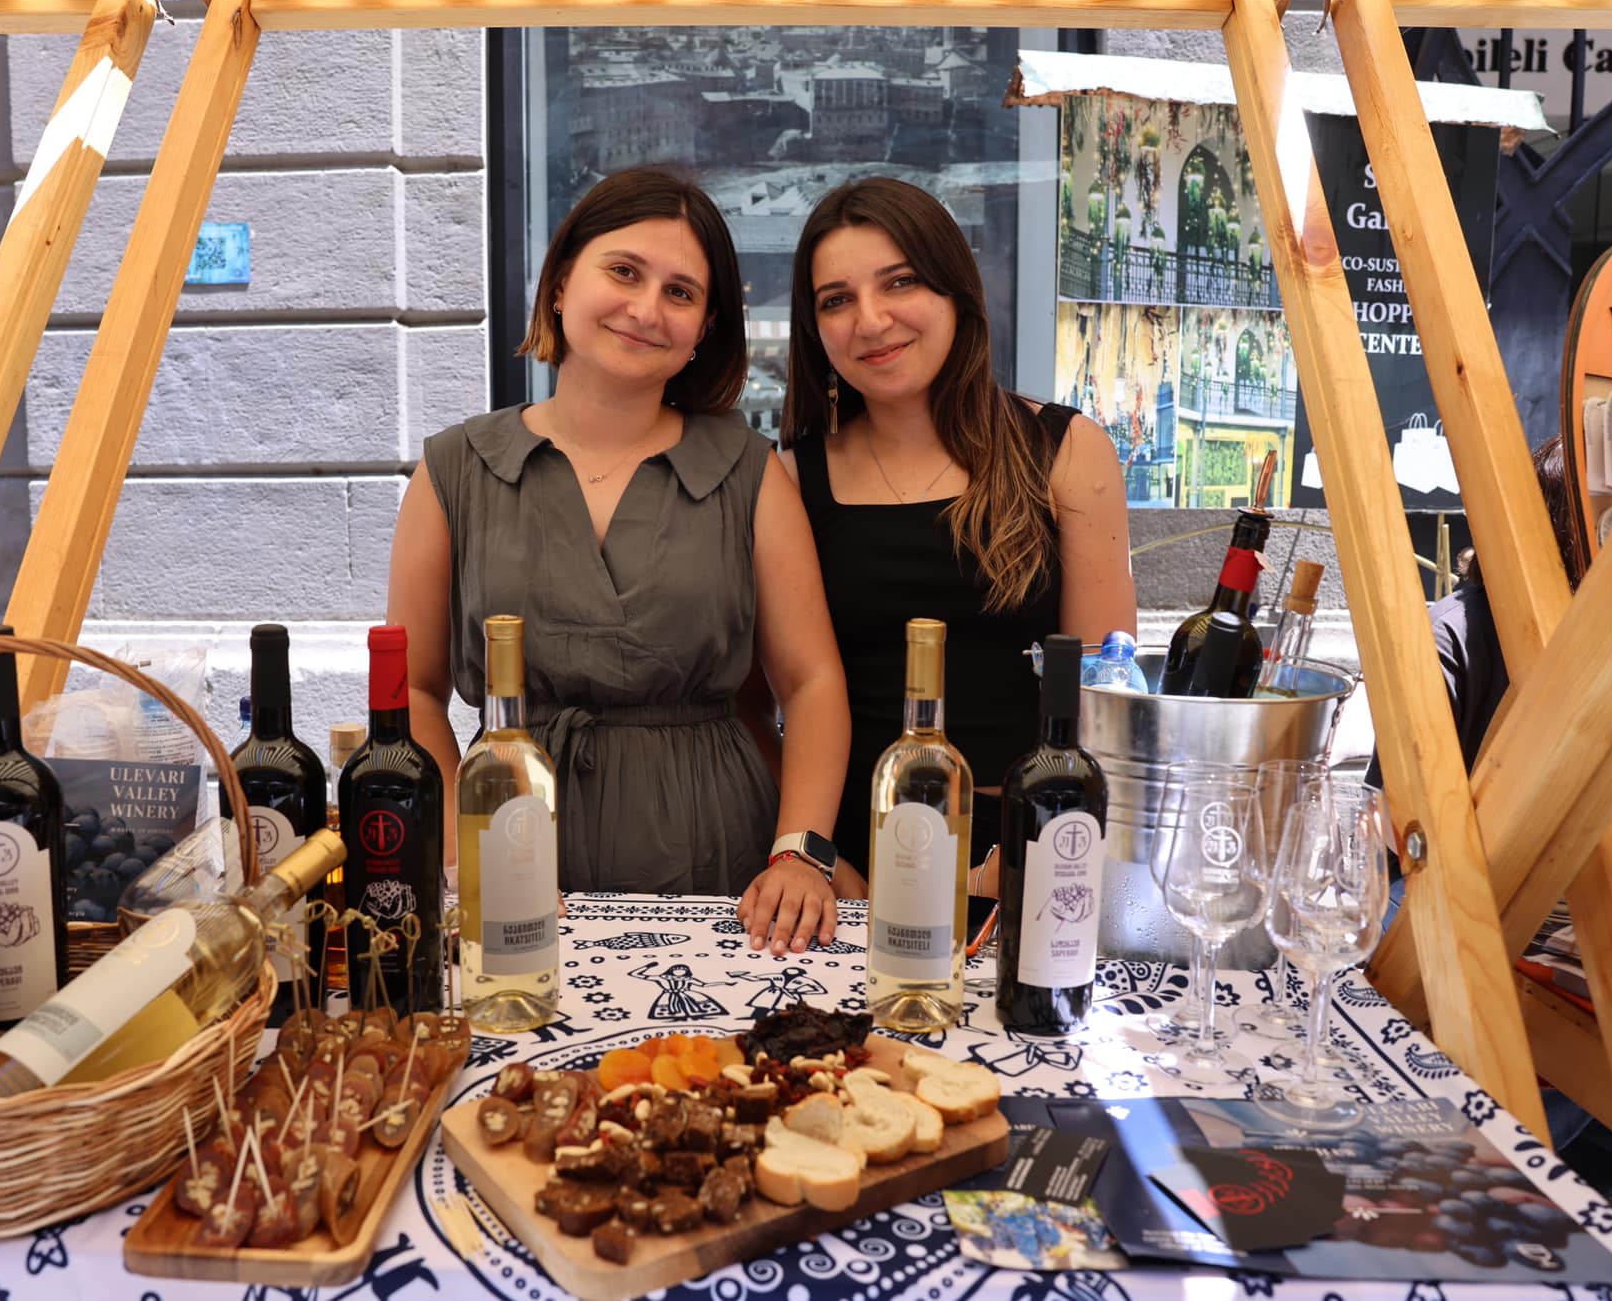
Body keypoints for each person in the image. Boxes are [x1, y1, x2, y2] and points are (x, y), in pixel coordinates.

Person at [386, 168, 852, 958]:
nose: (646, 309)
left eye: (681, 292)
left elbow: (811, 682)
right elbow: (416, 693)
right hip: (510, 855)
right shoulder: (453, 470)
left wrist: (800, 852)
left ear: (704, 328)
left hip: (723, 864)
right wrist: (462, 854)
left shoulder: (750, 472)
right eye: (625, 272)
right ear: (561, 282)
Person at [776, 177, 1136, 888]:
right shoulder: (790, 476)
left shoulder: (1066, 448)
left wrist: (1039, 858)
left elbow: (1104, 697)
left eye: (900, 282)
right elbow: (786, 698)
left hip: (1028, 857)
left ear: (956, 291)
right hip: (851, 866)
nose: (870, 320)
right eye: (836, 300)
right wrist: (819, 858)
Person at [1369, 434, 1612, 1201]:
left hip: (1581, 933)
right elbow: (1389, 834)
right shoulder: (1453, 634)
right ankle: (1474, 1178)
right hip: (1457, 916)